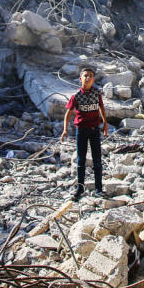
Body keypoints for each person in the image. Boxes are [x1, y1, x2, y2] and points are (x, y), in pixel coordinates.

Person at [60, 67, 108, 201]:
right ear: (80, 79)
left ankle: (99, 189)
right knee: (81, 160)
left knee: (97, 160)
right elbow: (68, 113)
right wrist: (65, 130)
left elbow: (101, 108)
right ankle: (80, 189)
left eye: (91, 76)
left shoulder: (97, 93)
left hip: (94, 129)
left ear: (94, 79)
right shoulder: (76, 96)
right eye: (86, 76)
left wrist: (105, 124)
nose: (88, 78)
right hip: (81, 130)